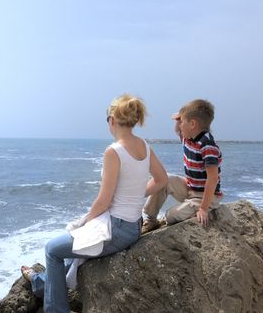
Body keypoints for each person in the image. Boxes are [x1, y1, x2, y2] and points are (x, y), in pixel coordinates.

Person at [21, 94, 168, 313]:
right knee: (73, 249)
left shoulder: (114, 151)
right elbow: (162, 180)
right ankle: (41, 283)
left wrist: (86, 223)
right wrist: (137, 195)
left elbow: (104, 200)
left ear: (111, 120)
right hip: (133, 227)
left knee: (52, 249)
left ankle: (55, 308)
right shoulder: (144, 146)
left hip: (116, 230)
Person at [142, 99, 223, 233]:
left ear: (192, 124)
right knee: (164, 179)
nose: (179, 125)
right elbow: (178, 130)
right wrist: (181, 116)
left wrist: (203, 208)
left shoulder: (207, 146)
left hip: (205, 197)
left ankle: (186, 212)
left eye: (182, 122)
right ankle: (151, 219)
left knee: (171, 215)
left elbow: (213, 179)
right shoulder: (188, 138)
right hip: (190, 187)